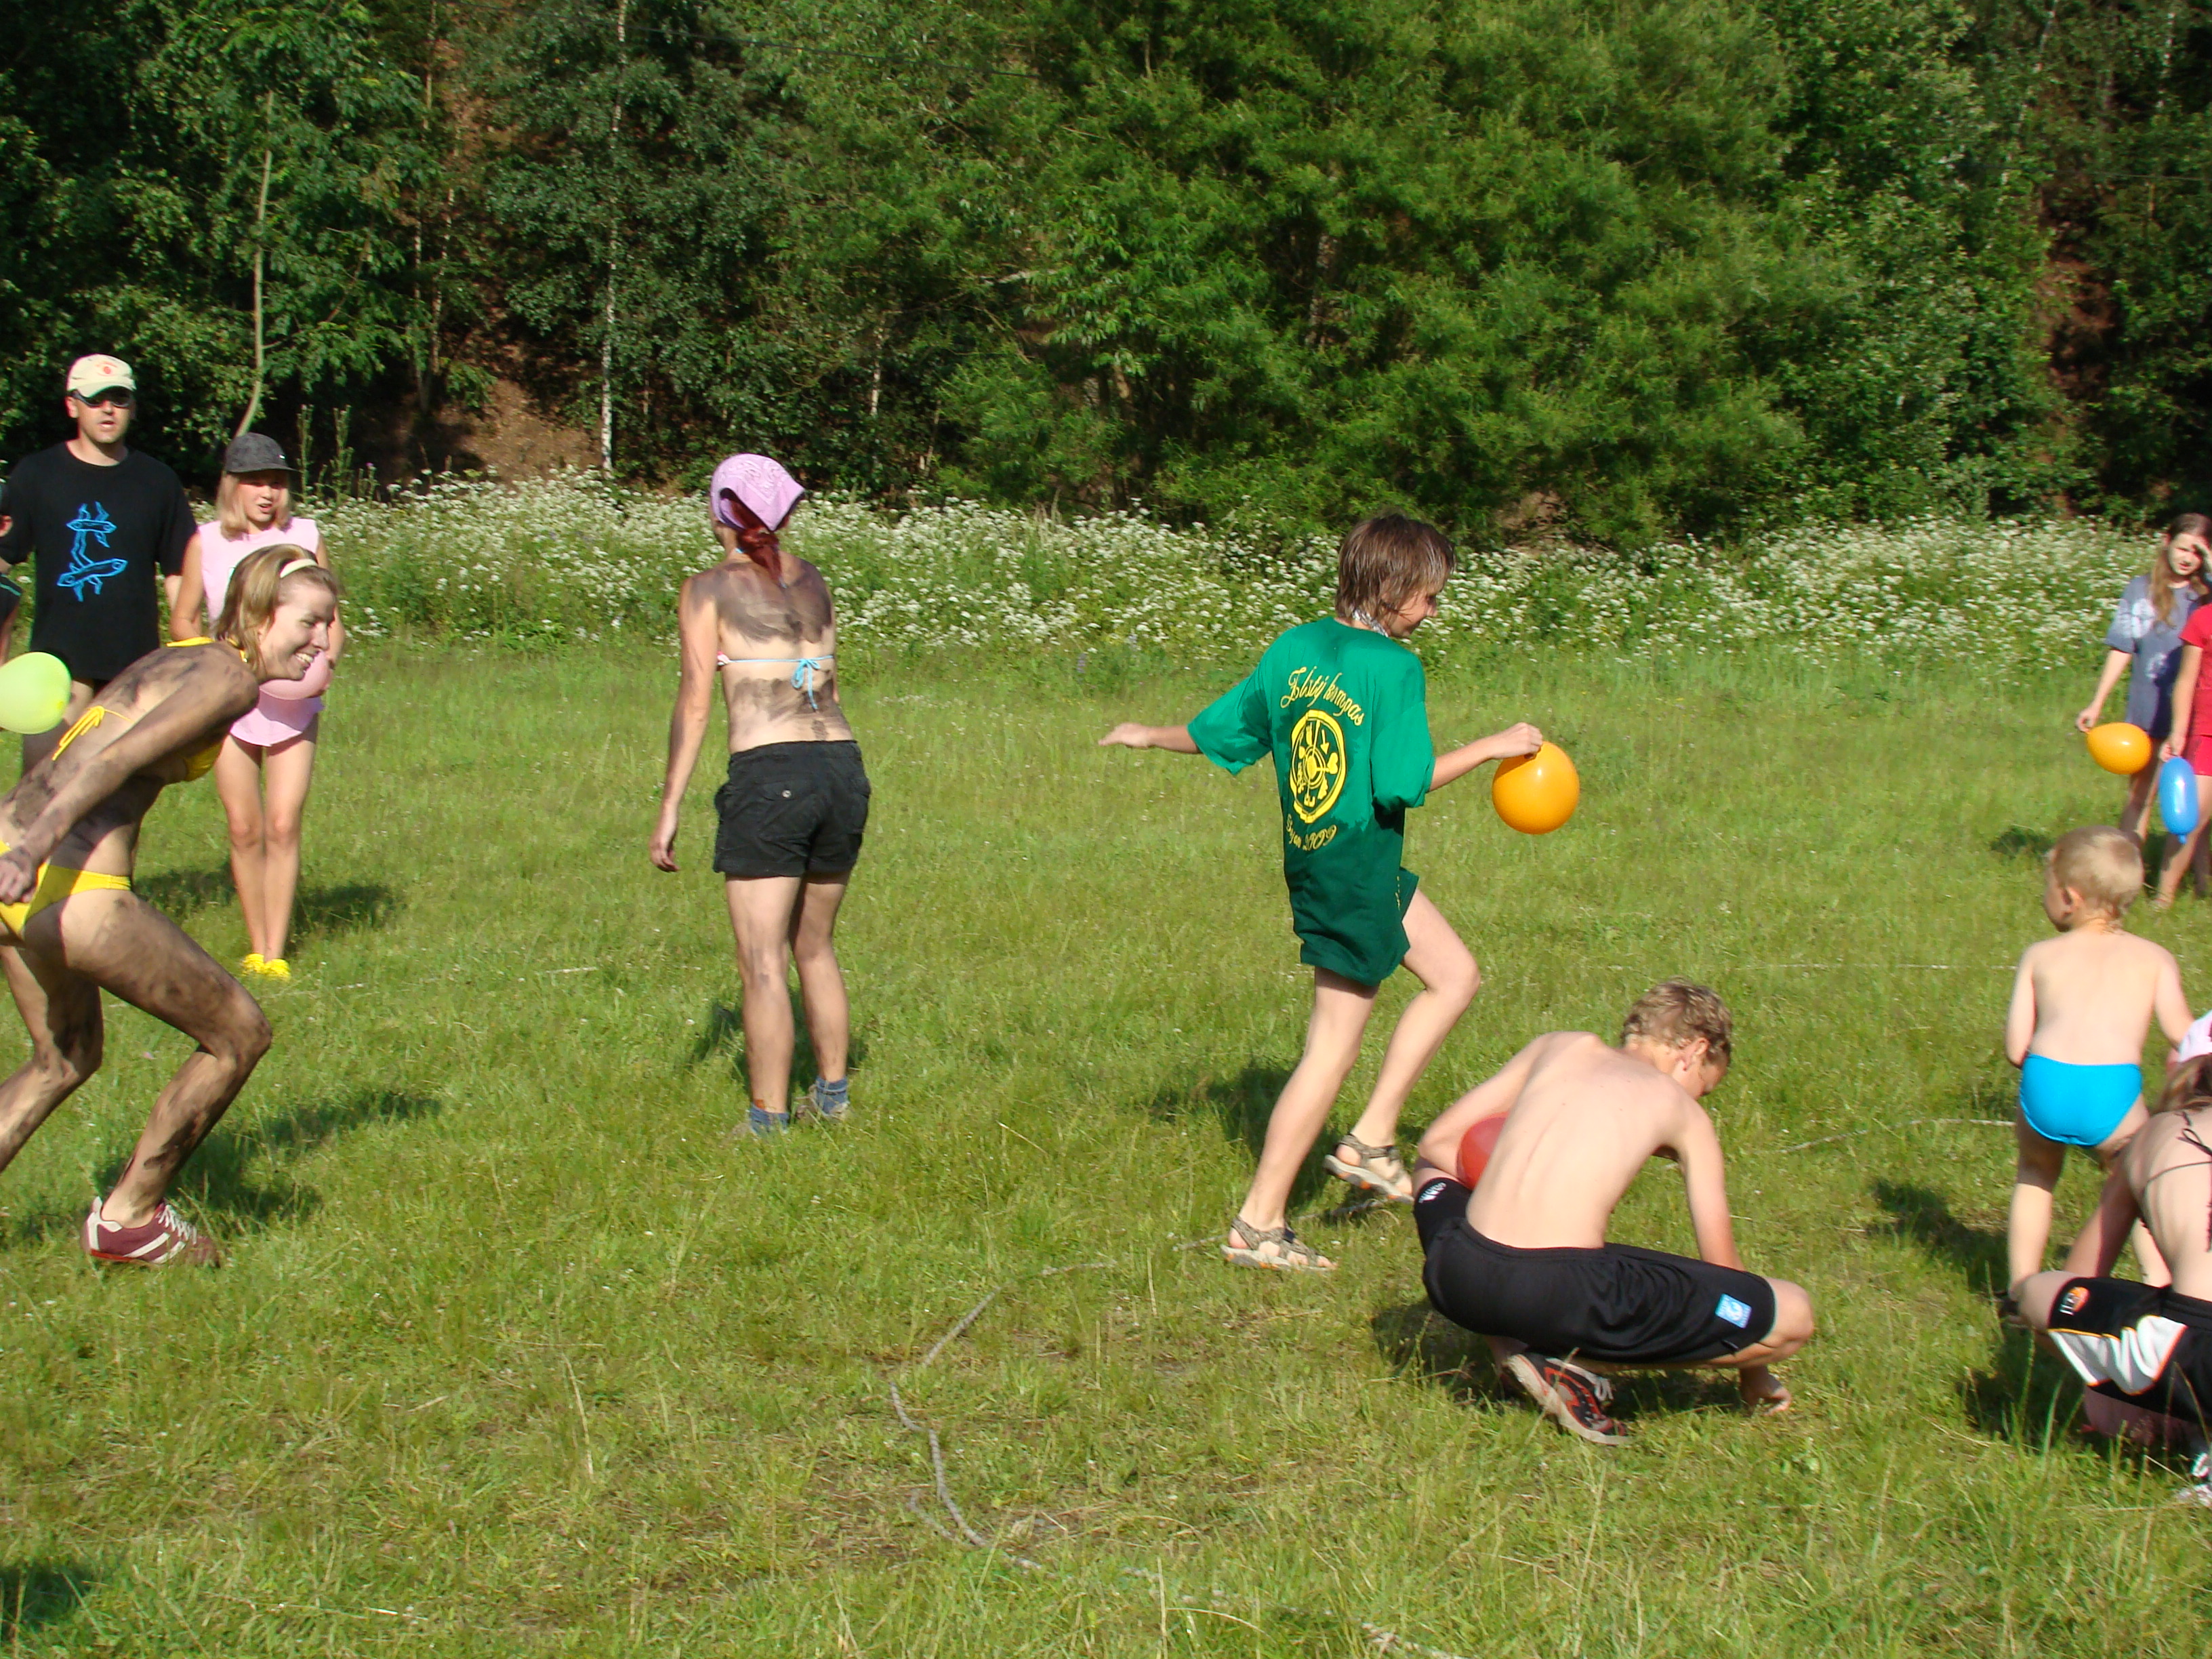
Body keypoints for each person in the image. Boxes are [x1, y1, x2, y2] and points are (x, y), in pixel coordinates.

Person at [1099, 514, 1542, 1273]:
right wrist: (1493, 747)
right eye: (1429, 597)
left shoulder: (1293, 648)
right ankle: (1261, 1223)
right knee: (1331, 1048)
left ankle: (1372, 1139)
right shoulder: (1394, 669)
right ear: (1393, 589)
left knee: (1455, 976)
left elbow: (1224, 731)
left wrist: (1148, 734)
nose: (1433, 612)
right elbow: (1404, 782)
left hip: (1324, 863)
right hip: (1357, 869)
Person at [0, 546, 337, 1267]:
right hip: (63, 880)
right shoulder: (230, 679)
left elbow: (77, 741)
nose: (321, 640)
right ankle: (130, 1219)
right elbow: (115, 758)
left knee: (65, 1057)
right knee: (239, 1034)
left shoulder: (184, 656)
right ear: (260, 611)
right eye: (309, 622)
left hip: (12, 854)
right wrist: (36, 849)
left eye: (329, 623)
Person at [1408, 981, 1814, 1445]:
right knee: (1793, 1315)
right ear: (1695, 1052)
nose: (1698, 1099)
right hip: (1560, 1290)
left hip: (1458, 1273)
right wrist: (1754, 1370)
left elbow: (1437, 1144)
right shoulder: (1680, 1109)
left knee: (1429, 1172)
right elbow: (1724, 1269)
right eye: (1704, 1087)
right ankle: (1567, 1364)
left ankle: (1510, 1350)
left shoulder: (1559, 1046)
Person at [650, 454, 867, 1136]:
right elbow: (827, 682)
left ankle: (767, 1121)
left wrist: (669, 808)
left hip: (771, 774)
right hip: (842, 768)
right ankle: (832, 1098)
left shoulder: (707, 590)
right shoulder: (816, 580)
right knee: (815, 947)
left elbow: (694, 705)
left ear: (720, 510)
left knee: (761, 961)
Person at [171, 434, 342, 981]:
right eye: (255, 482)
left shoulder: (305, 537)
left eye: (276, 482)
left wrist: (325, 663)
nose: (267, 493)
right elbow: (183, 618)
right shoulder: (205, 542)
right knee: (244, 826)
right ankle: (255, 945)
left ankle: (277, 950)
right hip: (233, 703)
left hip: (294, 703)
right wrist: (216, 666)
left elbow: (332, 617)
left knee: (283, 822)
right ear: (232, 486)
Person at [2003, 826, 2191, 1296]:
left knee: (2036, 1176)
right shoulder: (2154, 959)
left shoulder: (2039, 955)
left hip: (2046, 1080)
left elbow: (2015, 1049)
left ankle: (2021, 1289)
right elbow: (2185, 1035)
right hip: (2113, 1090)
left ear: (2068, 897)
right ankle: (2158, 1287)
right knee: (2138, 1186)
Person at [2018, 1054, 2212, 1504]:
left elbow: (2081, 1275)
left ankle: (2167, 1414)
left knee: (2036, 1293)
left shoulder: (2160, 1132)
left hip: (2192, 1347)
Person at [0, 356, 196, 766]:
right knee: (43, 787)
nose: (108, 409)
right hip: (58, 665)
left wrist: (190, 652)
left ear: (133, 407)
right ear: (72, 405)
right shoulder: (36, 475)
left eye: (119, 399)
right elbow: (3, 562)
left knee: (118, 792)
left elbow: (179, 573)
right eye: (95, 399)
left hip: (134, 665)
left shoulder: (158, 481)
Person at [2078, 515, 2211, 850]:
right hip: (2149, 710)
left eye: (2197, 553)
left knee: (2195, 805)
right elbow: (2123, 647)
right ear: (2167, 542)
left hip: (2196, 718)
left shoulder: (2205, 597)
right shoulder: (2140, 590)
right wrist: (2097, 702)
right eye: (2182, 548)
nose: (2187, 558)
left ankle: (2193, 873)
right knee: (2141, 796)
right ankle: (2128, 867)